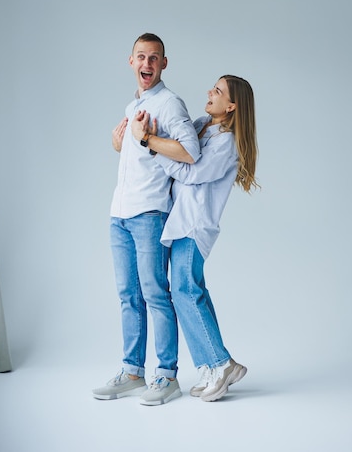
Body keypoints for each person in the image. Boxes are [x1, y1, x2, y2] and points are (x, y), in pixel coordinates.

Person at [132, 74, 258, 402]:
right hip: (181, 222)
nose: (209, 93)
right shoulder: (204, 124)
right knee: (191, 291)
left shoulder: (226, 143)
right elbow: (181, 148)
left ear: (231, 106)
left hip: (195, 225)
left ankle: (221, 362)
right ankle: (209, 367)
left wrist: (149, 143)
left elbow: (190, 172)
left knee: (186, 291)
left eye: (218, 91)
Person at [92, 33, 200, 406]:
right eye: (141, 57)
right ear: (131, 61)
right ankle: (133, 372)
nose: (147, 64)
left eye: (154, 58)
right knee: (128, 295)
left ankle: (167, 376)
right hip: (119, 213)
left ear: (164, 64)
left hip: (150, 214)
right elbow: (140, 153)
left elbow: (190, 151)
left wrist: (145, 140)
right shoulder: (131, 105)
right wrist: (120, 145)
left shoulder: (170, 104)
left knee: (155, 294)